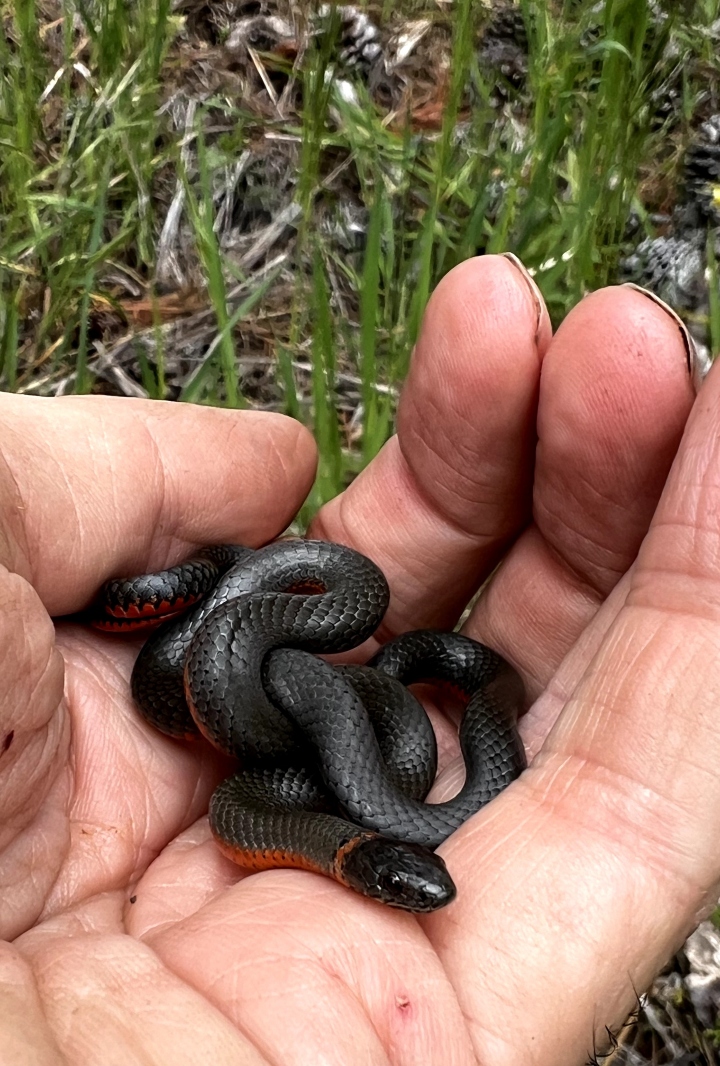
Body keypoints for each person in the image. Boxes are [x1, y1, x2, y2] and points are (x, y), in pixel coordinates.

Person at [0, 253, 709, 1065]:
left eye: (406, 885)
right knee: (320, 707)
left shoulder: (268, 797)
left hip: (323, 707)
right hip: (266, 684)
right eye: (408, 884)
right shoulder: (268, 694)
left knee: (379, 746)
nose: (424, 894)